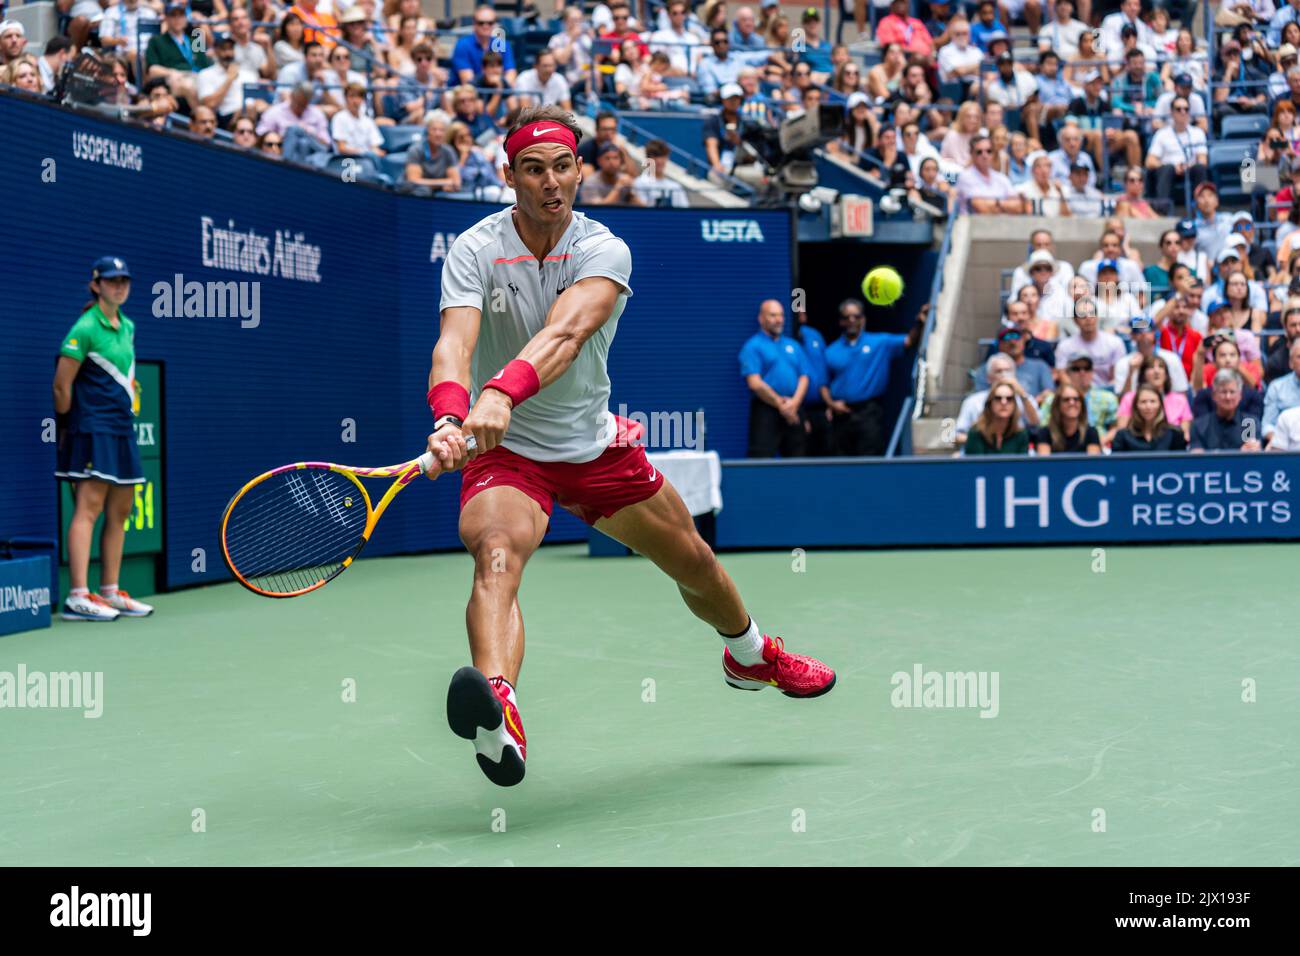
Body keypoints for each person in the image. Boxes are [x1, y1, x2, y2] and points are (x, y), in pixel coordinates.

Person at [426, 104, 836, 786]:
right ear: (509, 175)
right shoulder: (474, 249)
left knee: (695, 565)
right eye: (533, 170)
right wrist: (449, 415)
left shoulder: (603, 249)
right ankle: (499, 711)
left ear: (581, 170)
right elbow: (453, 343)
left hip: (591, 446)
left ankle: (750, 653)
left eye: (563, 167)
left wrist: (498, 393)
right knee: (495, 557)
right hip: (506, 454)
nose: (551, 182)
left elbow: (565, 334)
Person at [53, 257, 156, 622]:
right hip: (92, 428)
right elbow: (62, 385)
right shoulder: (84, 327)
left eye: (124, 280)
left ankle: (110, 591)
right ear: (96, 285)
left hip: (121, 427)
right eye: (112, 281)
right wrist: (69, 427)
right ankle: (78, 596)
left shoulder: (127, 326)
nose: (120, 286)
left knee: (122, 509)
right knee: (90, 507)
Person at [821, 298, 923, 456]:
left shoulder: (879, 342)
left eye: (856, 316)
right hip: (841, 415)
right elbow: (823, 385)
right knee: (840, 460)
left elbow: (909, 341)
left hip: (868, 412)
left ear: (863, 319)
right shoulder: (830, 351)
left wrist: (919, 323)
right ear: (841, 322)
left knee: (869, 457)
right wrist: (831, 404)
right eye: (847, 317)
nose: (852, 320)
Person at [739, 300, 809, 458]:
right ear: (761, 318)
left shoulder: (793, 345)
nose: (779, 319)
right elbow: (754, 383)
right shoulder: (752, 346)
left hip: (794, 409)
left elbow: (804, 377)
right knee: (761, 460)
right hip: (767, 410)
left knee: (798, 460)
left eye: (781, 315)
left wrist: (794, 404)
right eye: (773, 315)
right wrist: (781, 404)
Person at [1144, 95, 1209, 202]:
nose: (1183, 112)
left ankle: (1201, 207)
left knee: (1200, 168)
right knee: (1167, 169)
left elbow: (1203, 160)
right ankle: (1162, 209)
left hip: (1190, 168)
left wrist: (1187, 166)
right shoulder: (1162, 133)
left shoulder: (1198, 133)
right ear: (1172, 112)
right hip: (1168, 169)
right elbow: (1150, 161)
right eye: (1179, 109)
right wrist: (1174, 167)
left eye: (1186, 109)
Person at [1116, 355, 1193, 439]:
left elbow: (1184, 434)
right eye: (1151, 367)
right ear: (1143, 374)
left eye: (1161, 367)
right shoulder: (1129, 398)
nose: (1156, 371)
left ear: (1166, 374)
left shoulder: (1180, 400)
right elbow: (1122, 430)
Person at [1191, 369, 1264, 451]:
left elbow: (1251, 456)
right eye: (1223, 392)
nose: (1228, 397)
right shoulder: (1200, 425)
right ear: (1214, 395)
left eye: (1232, 392)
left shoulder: (1249, 424)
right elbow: (1197, 458)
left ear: (1240, 395)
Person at [1111, 383, 1189, 452]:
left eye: (1153, 401)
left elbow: (1181, 464)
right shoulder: (1122, 436)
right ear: (1136, 406)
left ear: (1160, 405)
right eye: (1143, 402)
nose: (1148, 406)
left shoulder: (1175, 433)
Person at [954, 134, 1021, 214]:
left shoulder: (1001, 178)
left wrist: (995, 204)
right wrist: (1005, 205)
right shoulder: (965, 177)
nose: (985, 155)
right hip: (973, 224)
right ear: (972, 154)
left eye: (989, 151)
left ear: (993, 154)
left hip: (1002, 224)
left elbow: (1018, 207)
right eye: (979, 152)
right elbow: (980, 207)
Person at [453, 5, 517, 87]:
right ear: (474, 23)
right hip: (469, 94)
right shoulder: (463, 45)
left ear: (495, 24)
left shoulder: (501, 44)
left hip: (497, 90)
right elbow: (468, 81)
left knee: (513, 99)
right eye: (481, 23)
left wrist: (501, 87)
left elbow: (511, 74)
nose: (485, 26)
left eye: (490, 23)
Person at [963, 382, 1030, 455]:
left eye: (1009, 398)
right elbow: (974, 465)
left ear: (1014, 405)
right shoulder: (976, 433)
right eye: (998, 398)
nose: (1004, 402)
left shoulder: (1021, 434)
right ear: (990, 403)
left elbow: (1022, 465)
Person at [1033, 383, 1101, 454]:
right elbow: (1044, 463)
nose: (1072, 403)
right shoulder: (1044, 433)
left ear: (1082, 405)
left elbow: (1093, 463)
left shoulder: (1091, 433)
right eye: (1066, 400)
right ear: (1057, 405)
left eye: (1076, 399)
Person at [404, 111, 462, 193]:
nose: (438, 134)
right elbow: (413, 181)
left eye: (442, 130)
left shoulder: (448, 151)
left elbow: (456, 182)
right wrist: (444, 183)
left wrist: (447, 185)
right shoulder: (415, 150)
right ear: (427, 131)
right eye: (434, 129)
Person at [1263, 339, 1300, 444]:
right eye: (1299, 357)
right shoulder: (1277, 387)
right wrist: (1279, 441)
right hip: (1285, 447)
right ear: (1291, 363)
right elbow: (1267, 425)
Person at [633, 138, 689, 208]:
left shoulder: (675, 187)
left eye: (662, 156)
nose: (659, 161)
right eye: (655, 156)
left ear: (667, 158)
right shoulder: (639, 183)